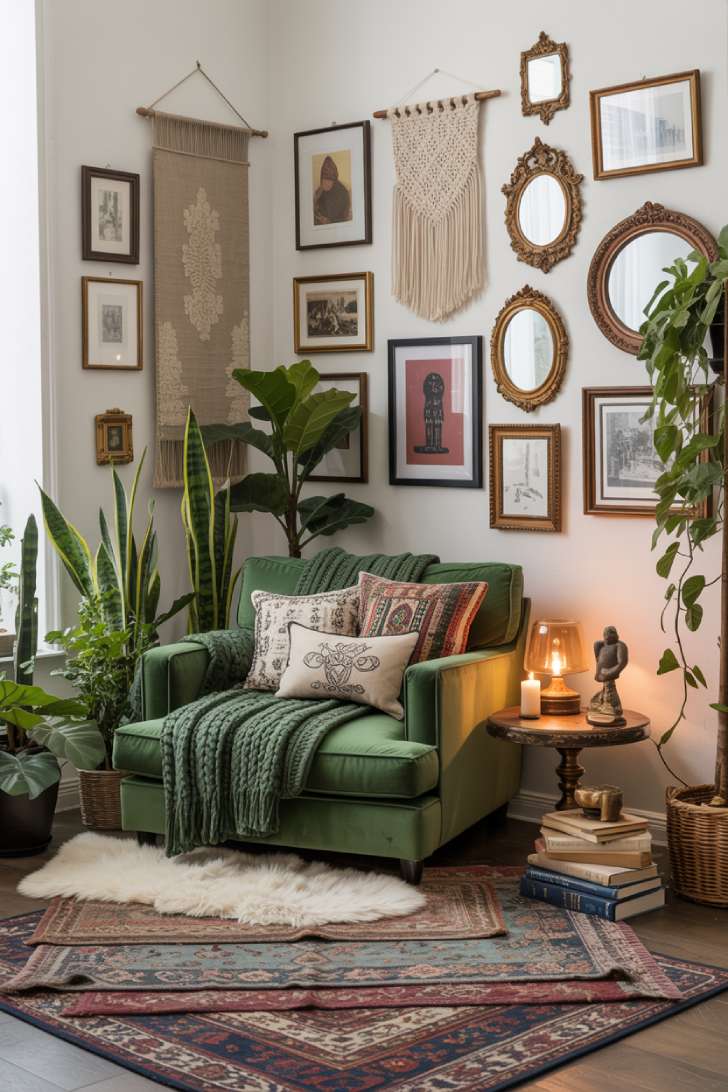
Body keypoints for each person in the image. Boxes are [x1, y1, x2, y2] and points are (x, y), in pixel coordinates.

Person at [313, 156, 351, 225]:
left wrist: (329, 222)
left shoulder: (342, 193)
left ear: (334, 181)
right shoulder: (321, 190)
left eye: (329, 180)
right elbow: (315, 209)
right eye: (324, 179)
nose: (325, 183)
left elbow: (344, 218)